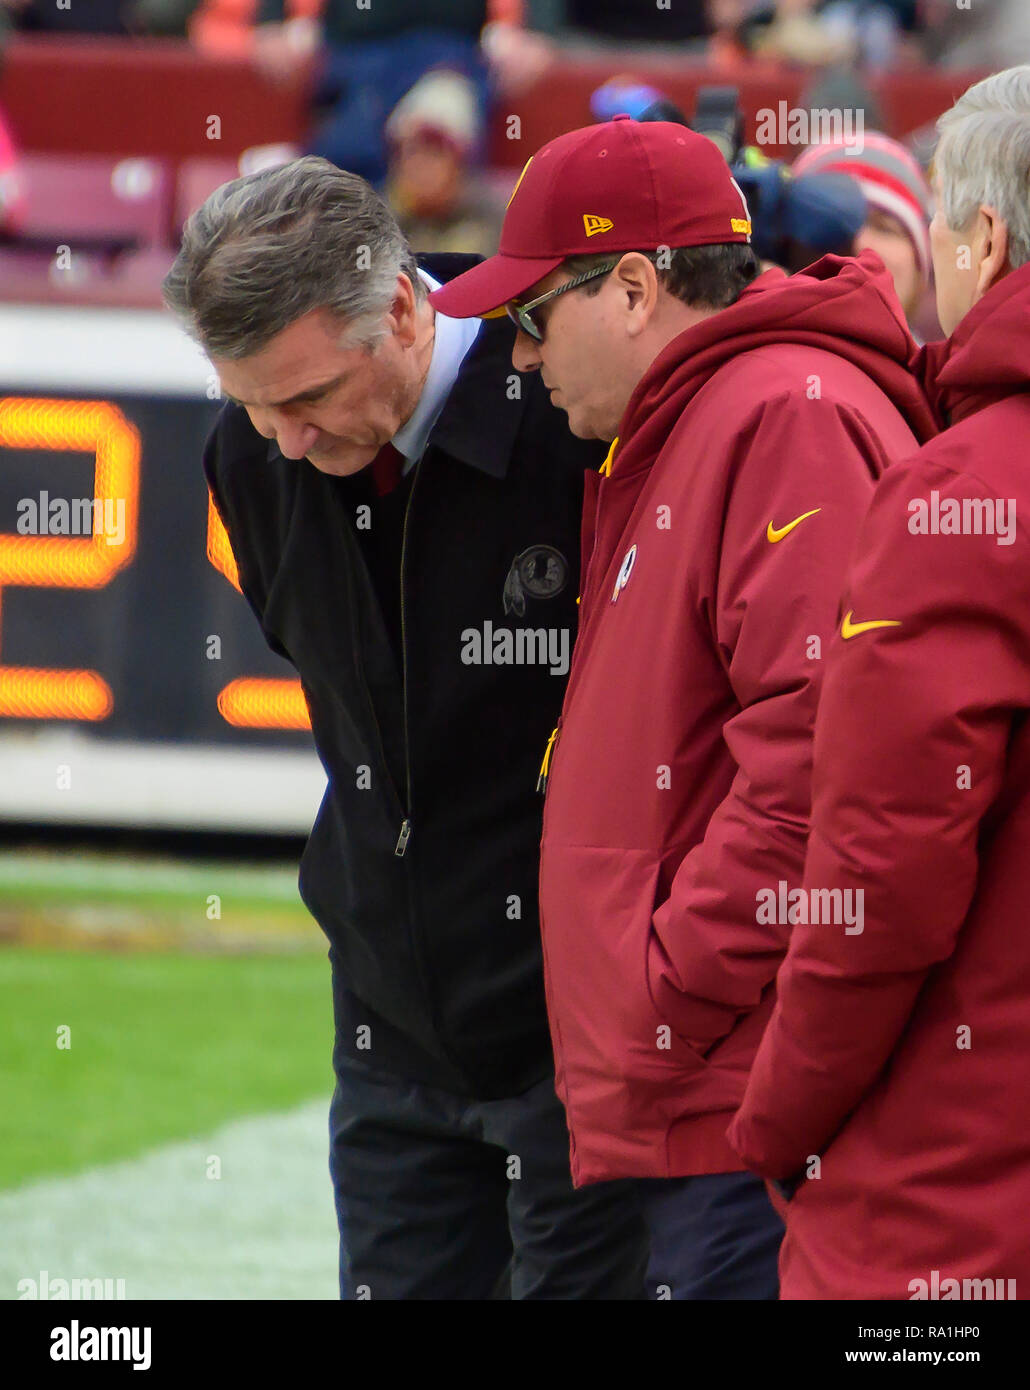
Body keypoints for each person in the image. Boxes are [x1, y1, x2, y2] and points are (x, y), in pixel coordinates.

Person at [430, 115, 937, 1298]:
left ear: (633, 287)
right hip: (700, 1085)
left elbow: (821, 766)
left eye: (528, 319)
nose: (518, 359)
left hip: (736, 1095)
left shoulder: (778, 413)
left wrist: (671, 983)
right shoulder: (705, 416)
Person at [161, 156, 648, 1300]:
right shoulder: (251, 456)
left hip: (586, 1033)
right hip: (390, 1030)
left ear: (400, 308)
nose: (283, 439)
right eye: (254, 404)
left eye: (308, 398)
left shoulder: (573, 420)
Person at [728, 65, 1030, 1300]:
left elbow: (883, 872)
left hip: (954, 1183)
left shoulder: (965, 492)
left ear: (987, 237)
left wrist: (779, 1116)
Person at [793, 132, 934, 330]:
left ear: (920, 268)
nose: (861, 244)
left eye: (884, 228)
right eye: (834, 223)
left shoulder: (952, 360)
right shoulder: (751, 358)